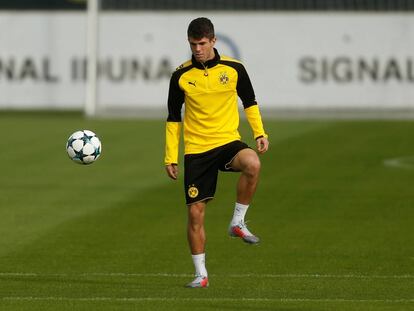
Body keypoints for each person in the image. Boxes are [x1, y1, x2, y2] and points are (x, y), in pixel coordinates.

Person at [164, 17, 269, 288]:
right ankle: (201, 275)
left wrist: (259, 132)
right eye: (192, 44)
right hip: (197, 150)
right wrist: (170, 156)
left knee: (253, 164)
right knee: (196, 215)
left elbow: (250, 101)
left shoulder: (234, 69)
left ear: (213, 41)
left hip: (227, 142)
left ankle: (237, 222)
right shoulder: (181, 75)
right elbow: (173, 117)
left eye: (201, 43)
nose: (197, 49)